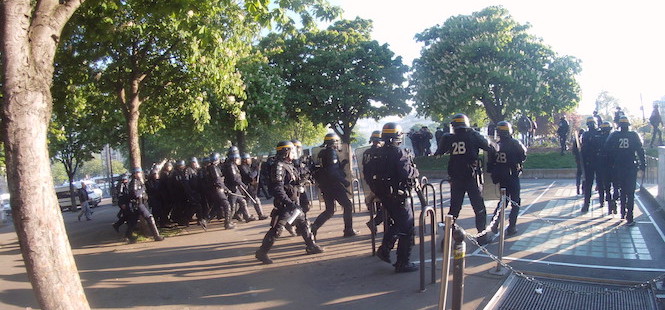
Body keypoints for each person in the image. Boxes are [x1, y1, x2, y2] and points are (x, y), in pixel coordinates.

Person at [255, 141, 324, 264]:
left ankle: (311, 245)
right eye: (291, 151)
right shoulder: (279, 166)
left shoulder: (289, 165)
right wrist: (288, 202)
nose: (294, 153)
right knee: (277, 229)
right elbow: (277, 188)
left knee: (303, 224)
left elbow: (293, 181)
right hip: (286, 205)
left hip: (294, 201)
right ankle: (262, 252)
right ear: (285, 152)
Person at [364, 122, 420, 273]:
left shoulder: (376, 153)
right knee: (407, 227)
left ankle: (385, 248)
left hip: (384, 195)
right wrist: (415, 171)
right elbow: (406, 173)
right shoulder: (398, 152)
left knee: (398, 222)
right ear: (397, 136)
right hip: (398, 195)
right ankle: (403, 262)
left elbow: (369, 173)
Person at [435, 113, 493, 245]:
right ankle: (482, 237)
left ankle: (447, 238)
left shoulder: (448, 138)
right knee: (479, 208)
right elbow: (488, 146)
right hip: (471, 176)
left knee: (454, 209)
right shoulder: (473, 135)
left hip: (456, 176)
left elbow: (439, 152)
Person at [311, 133, 358, 238]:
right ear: (334, 142)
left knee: (329, 210)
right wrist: (344, 181)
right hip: (334, 185)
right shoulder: (332, 152)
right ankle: (348, 230)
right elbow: (332, 172)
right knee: (347, 205)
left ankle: (314, 227)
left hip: (325, 185)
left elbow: (328, 168)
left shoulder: (322, 153)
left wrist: (342, 165)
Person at [604, 116, 645, 225]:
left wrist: (610, 164)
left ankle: (622, 212)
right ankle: (630, 217)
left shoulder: (614, 136)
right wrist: (643, 166)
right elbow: (640, 151)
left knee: (622, 190)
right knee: (630, 192)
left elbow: (607, 150)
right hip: (631, 167)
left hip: (618, 167)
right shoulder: (634, 135)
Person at [488, 121, 527, 236]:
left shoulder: (495, 145)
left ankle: (495, 224)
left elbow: (490, 163)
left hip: (501, 177)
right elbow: (523, 155)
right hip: (512, 176)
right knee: (515, 202)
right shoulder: (515, 143)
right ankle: (512, 226)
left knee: (503, 202)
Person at [126, 167, 164, 243]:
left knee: (133, 221)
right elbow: (135, 194)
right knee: (150, 217)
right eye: (138, 173)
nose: (140, 174)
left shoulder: (138, 181)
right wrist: (142, 189)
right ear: (135, 174)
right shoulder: (134, 182)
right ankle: (156, 236)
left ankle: (128, 236)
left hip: (140, 203)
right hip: (138, 204)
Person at [224, 146, 256, 223]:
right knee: (232, 206)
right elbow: (235, 178)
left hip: (235, 188)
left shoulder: (233, 165)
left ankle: (247, 217)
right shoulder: (230, 165)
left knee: (243, 202)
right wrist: (242, 184)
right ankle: (227, 223)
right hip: (232, 188)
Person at [362, 130, 384, 234]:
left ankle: (377, 222)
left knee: (381, 203)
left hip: (370, 181)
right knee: (388, 205)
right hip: (380, 182)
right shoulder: (381, 151)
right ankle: (375, 222)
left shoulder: (366, 153)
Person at [206, 152, 236, 229]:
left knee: (217, 207)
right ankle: (227, 224)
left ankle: (205, 220)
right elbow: (217, 180)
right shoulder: (213, 168)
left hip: (216, 190)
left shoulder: (213, 167)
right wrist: (226, 189)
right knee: (227, 205)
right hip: (217, 190)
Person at [580, 116, 602, 212]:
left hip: (593, 162)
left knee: (593, 184)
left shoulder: (591, 134)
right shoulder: (587, 134)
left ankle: (588, 204)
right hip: (594, 162)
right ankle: (590, 203)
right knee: (595, 183)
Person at [239, 153, 268, 220]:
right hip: (246, 186)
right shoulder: (243, 167)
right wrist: (256, 171)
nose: (250, 160)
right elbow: (250, 176)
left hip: (250, 186)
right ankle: (260, 215)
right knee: (255, 199)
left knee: (247, 201)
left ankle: (240, 214)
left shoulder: (248, 166)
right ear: (245, 160)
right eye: (249, 158)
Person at [597, 122, 616, 215]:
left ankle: (606, 203)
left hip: (603, 166)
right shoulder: (614, 138)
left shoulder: (599, 139)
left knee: (606, 187)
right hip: (614, 165)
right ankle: (614, 201)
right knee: (616, 185)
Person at [572, 128, 585, 195]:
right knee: (583, 174)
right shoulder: (584, 139)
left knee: (579, 174)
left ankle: (578, 187)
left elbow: (573, 151)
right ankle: (582, 189)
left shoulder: (576, 140)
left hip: (578, 159)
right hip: (583, 159)